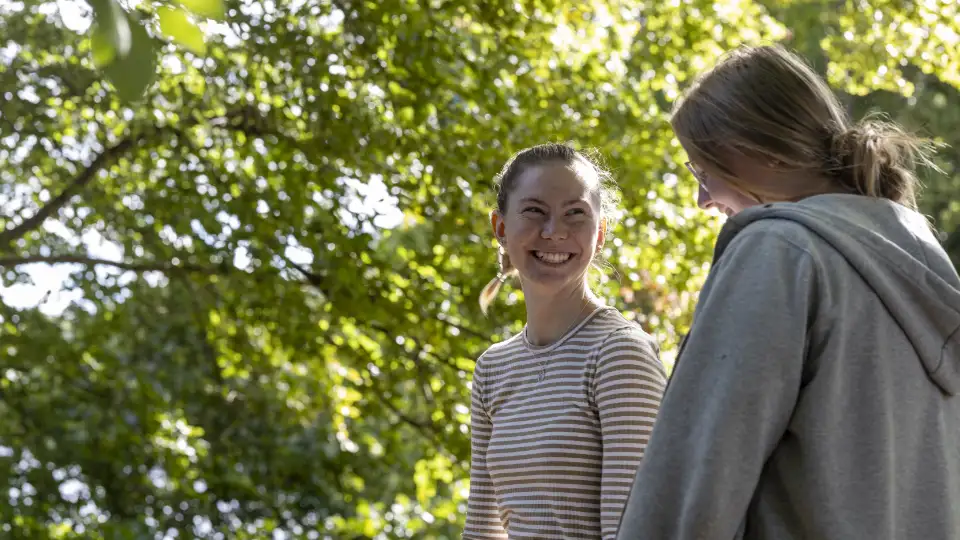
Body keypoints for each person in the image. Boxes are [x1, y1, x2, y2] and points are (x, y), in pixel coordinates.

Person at [616, 44, 960, 539]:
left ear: (760, 151)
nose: (701, 198)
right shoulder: (921, 260)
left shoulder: (779, 251)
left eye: (701, 169)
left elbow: (695, 482)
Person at [463, 143, 668, 539]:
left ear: (601, 232)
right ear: (501, 229)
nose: (554, 232)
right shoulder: (492, 369)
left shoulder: (619, 354)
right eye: (535, 211)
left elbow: (634, 532)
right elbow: (481, 530)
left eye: (575, 214)